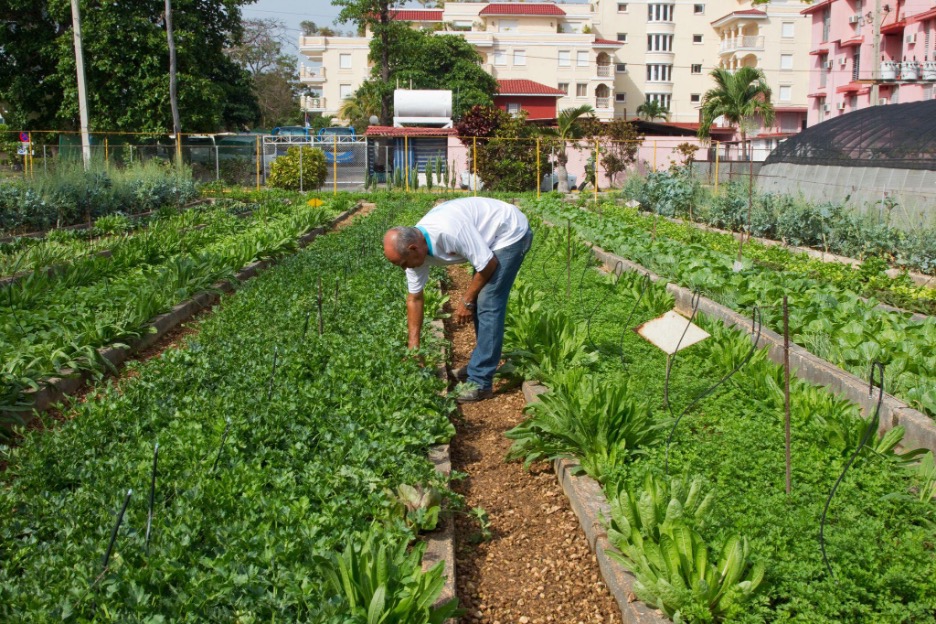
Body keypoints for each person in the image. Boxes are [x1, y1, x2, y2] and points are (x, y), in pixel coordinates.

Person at [383, 197, 533, 403]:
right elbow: (415, 299)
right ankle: (478, 365)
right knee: (482, 298)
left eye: (403, 263)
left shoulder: (449, 231)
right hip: (488, 236)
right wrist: (413, 347)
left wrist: (466, 300)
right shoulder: (414, 253)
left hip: (509, 232)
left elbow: (487, 264)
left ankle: (480, 383)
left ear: (413, 248)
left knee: (488, 302)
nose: (404, 268)